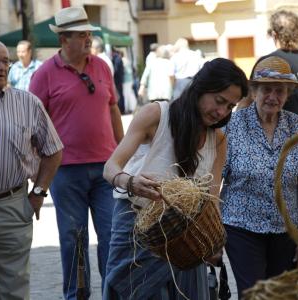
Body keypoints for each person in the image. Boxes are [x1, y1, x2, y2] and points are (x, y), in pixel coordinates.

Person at [103, 58, 248, 299]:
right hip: (137, 227)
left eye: (230, 106)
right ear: (201, 87)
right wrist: (130, 182)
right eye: (220, 100)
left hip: (186, 240)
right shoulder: (156, 114)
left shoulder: (218, 139)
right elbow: (110, 167)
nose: (222, 112)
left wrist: (213, 241)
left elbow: (212, 198)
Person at [29, 6, 124, 300]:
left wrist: (125, 153)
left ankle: (113, 293)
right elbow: (32, 123)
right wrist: (37, 171)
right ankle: (76, 295)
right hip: (65, 170)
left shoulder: (102, 66)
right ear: (63, 39)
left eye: (88, 33)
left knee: (113, 236)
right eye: (81, 34)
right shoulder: (44, 74)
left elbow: (113, 109)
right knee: (74, 239)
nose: (88, 38)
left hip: (106, 168)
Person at [0, 39, 63, 299]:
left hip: (12, 206)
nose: (2, 67)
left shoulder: (29, 104)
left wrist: (38, 192)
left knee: (14, 289)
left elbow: (53, 150)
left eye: (6, 61)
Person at [220, 56, 298, 296]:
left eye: (280, 91)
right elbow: (216, 180)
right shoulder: (232, 126)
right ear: (253, 91)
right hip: (240, 227)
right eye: (266, 89)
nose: (273, 97)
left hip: (285, 230)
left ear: (288, 95)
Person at [238, 11, 298, 116]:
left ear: (274, 34)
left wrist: (234, 126)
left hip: (273, 129)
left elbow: (247, 100)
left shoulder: (266, 63)